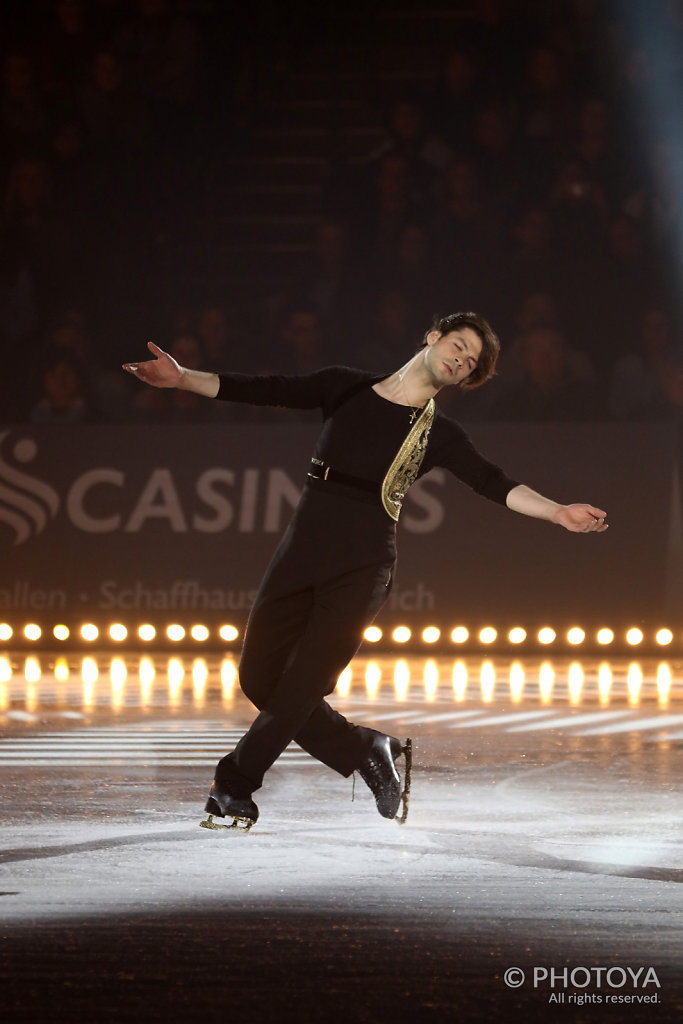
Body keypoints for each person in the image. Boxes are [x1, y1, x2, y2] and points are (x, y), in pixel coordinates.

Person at [123, 312, 608, 830]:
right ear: (433, 336)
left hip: (362, 566)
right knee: (260, 678)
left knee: (302, 683)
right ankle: (367, 749)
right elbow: (265, 389)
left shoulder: (437, 434)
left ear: (464, 380)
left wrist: (557, 511)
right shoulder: (346, 386)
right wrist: (183, 379)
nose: (460, 359)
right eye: (459, 345)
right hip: (301, 551)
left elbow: (493, 481)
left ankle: (233, 785)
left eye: (469, 363)